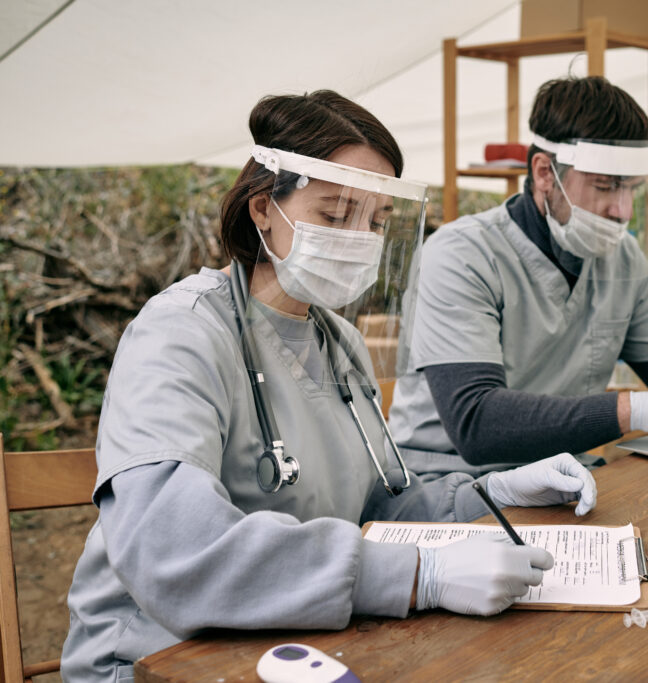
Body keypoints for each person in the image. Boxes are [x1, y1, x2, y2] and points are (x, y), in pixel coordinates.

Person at [61, 90, 597, 681]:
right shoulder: (181, 333)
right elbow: (175, 554)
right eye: (335, 215)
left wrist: (495, 493)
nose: (359, 239)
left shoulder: (337, 339)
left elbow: (378, 504)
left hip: (293, 639)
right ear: (264, 207)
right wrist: (422, 574)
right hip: (156, 655)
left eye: (376, 222)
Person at [388, 76, 648, 480]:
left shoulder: (622, 258)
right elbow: (477, 423)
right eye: (607, 186)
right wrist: (637, 409)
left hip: (560, 473)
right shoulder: (461, 255)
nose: (622, 210)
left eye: (632, 190)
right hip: (450, 483)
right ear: (545, 172)